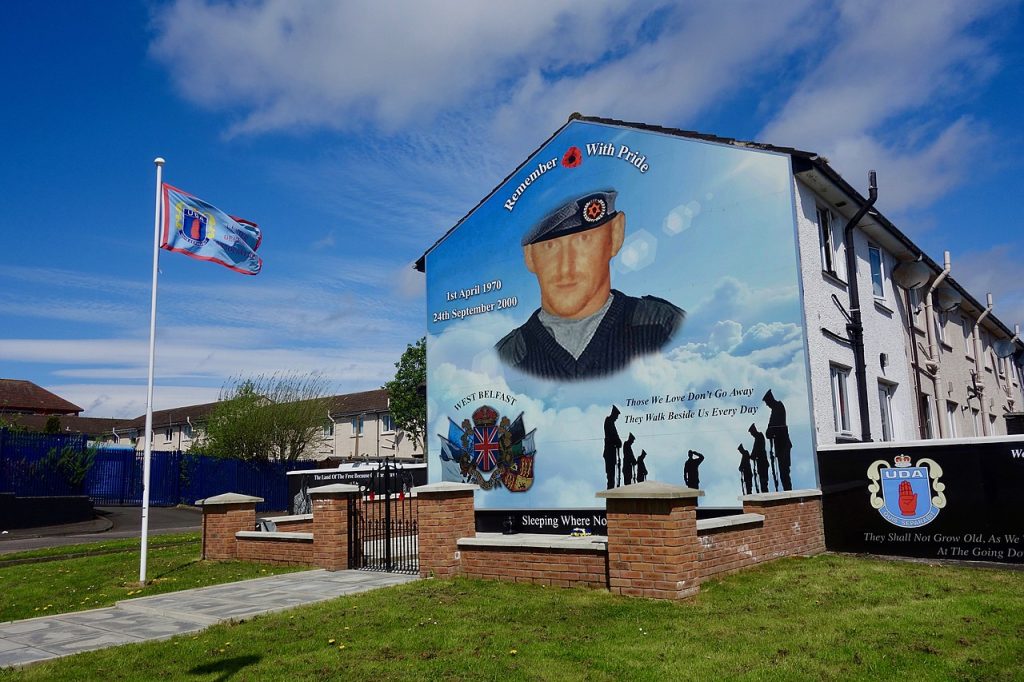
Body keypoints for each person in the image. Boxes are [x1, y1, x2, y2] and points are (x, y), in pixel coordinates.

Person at [495, 189, 685, 380]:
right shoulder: (507, 357)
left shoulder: (663, 325)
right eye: (550, 246)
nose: (566, 267)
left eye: (584, 240)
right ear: (529, 256)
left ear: (615, 235)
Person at [763, 389, 793, 491]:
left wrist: (772, 431)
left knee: (785, 472)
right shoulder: (775, 410)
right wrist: (771, 431)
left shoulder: (778, 408)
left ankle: (788, 493)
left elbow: (773, 428)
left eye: (767, 403)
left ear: (770, 400)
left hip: (783, 446)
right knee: (782, 473)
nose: (767, 405)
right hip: (780, 447)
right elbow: (768, 432)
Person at [603, 405, 622, 489]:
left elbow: (616, 437)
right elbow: (614, 436)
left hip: (612, 453)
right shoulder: (609, 422)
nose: (617, 418)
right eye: (616, 416)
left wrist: (618, 441)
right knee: (610, 476)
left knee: (612, 476)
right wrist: (618, 442)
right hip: (609, 452)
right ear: (614, 414)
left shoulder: (611, 423)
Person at [748, 423, 769, 494]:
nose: (752, 435)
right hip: (761, 463)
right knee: (762, 482)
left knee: (763, 482)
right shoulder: (758, 437)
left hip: (763, 462)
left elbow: (757, 450)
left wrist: (752, 456)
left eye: (752, 433)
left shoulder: (759, 436)